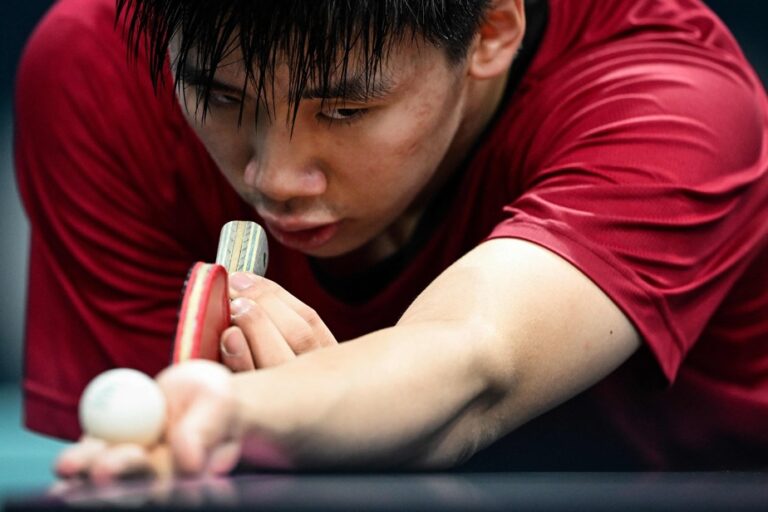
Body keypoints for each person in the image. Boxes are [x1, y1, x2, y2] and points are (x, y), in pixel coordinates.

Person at [14, 0, 768, 479]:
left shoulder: (674, 103)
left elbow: (475, 359)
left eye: (344, 110)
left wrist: (247, 413)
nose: (273, 177)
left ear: (491, 32)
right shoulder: (96, 73)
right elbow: (172, 467)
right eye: (217, 95)